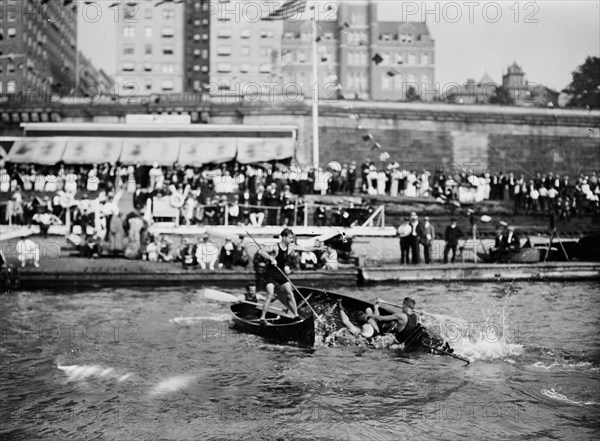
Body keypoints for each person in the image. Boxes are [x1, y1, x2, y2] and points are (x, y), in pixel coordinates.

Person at [258, 228, 309, 322]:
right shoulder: (275, 247)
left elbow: (305, 248)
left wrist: (319, 248)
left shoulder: (290, 247)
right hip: (271, 274)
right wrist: (271, 258)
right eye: (290, 238)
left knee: (290, 293)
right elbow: (261, 251)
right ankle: (262, 317)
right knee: (270, 293)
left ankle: (296, 315)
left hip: (281, 273)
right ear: (284, 237)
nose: (292, 240)